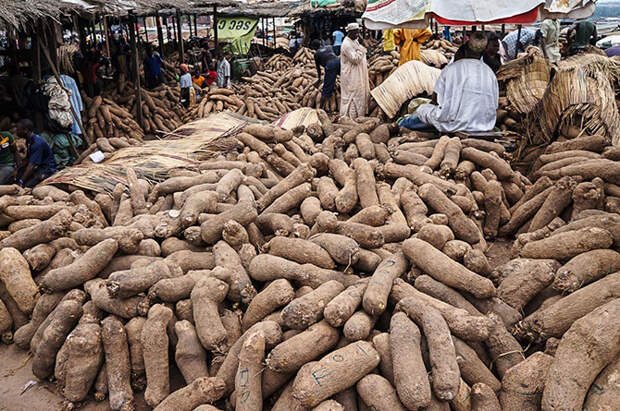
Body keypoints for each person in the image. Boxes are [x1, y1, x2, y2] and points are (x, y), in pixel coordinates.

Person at [402, 32, 498, 133]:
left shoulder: (451, 69)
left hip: (453, 124)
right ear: (482, 53)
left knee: (421, 111)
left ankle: (398, 125)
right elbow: (495, 106)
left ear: (464, 51)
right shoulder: (489, 72)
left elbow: (435, 100)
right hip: (485, 125)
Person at [11, 119, 57, 188]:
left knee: (27, 186)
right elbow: (27, 159)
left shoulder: (37, 143)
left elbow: (31, 166)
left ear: (25, 130)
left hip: (47, 169)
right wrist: (16, 170)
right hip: (38, 167)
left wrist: (21, 182)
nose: (16, 132)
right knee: (17, 176)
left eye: (18, 129)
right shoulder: (29, 140)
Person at [340, 23, 369, 118]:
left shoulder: (354, 40)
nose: (357, 35)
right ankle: (350, 117)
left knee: (360, 92)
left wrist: (361, 43)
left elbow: (360, 50)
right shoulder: (346, 44)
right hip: (351, 74)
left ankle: (360, 115)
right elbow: (355, 59)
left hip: (358, 72)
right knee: (353, 94)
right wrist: (361, 48)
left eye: (358, 33)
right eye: (355, 33)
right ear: (349, 32)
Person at [311, 40, 340, 109]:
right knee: (345, 78)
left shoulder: (316, 54)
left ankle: (320, 107)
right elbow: (336, 52)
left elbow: (318, 69)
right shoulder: (329, 47)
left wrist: (319, 79)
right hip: (338, 62)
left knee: (326, 89)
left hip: (330, 65)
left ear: (314, 47)